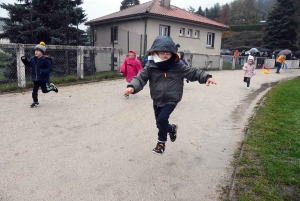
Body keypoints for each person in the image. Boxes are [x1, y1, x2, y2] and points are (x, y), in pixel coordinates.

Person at [124, 36, 217, 155]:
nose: (165, 54)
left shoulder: (178, 66)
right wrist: (132, 87)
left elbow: (193, 72)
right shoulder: (151, 66)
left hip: (172, 98)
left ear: (172, 52)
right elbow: (140, 78)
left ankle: (161, 142)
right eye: (162, 52)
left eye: (168, 52)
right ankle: (171, 128)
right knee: (159, 122)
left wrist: (207, 77)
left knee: (162, 119)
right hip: (157, 98)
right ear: (156, 52)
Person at [21, 41, 58, 108]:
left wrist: (42, 72)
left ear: (42, 52)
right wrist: (24, 60)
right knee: (34, 91)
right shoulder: (33, 59)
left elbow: (49, 69)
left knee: (44, 91)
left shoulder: (46, 60)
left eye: (38, 51)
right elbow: (29, 65)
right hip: (35, 78)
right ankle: (35, 102)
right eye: (35, 50)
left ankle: (52, 87)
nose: (36, 52)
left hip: (43, 78)